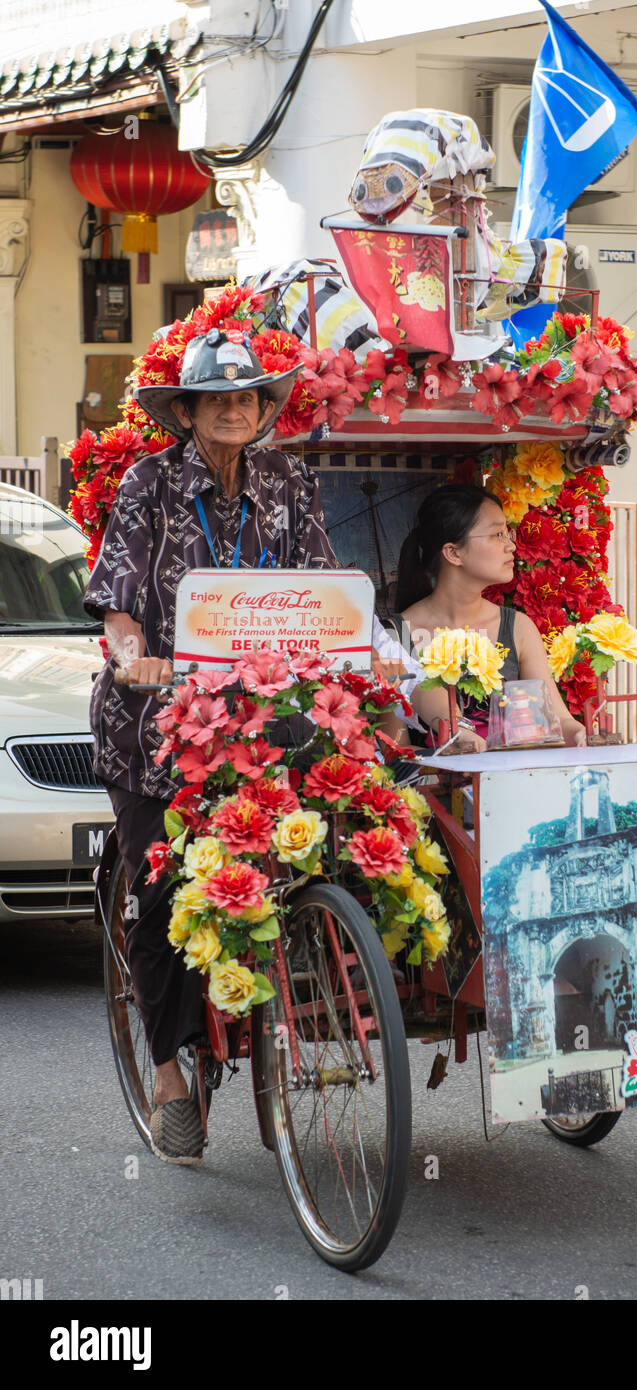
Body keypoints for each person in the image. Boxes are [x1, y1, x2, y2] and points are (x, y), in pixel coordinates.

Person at [84, 328, 427, 1165]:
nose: (234, 410)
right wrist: (136, 663)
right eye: (217, 399)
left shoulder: (287, 478)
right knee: (165, 894)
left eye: (247, 398)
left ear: (263, 408)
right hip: (159, 725)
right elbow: (119, 604)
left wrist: (366, 651)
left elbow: (319, 587)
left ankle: (302, 991)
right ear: (191, 412)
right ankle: (169, 1074)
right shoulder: (150, 484)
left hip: (266, 712)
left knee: (327, 847)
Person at [394, 484, 587, 747]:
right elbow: (395, 748)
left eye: (508, 533)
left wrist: (579, 734)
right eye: (497, 534)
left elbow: (556, 719)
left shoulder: (518, 627)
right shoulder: (394, 636)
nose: (511, 545)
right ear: (453, 552)